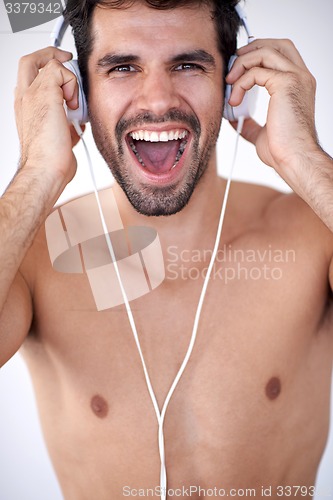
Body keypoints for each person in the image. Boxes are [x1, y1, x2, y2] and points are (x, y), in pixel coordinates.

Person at [1, 0, 333, 498]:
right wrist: (37, 174)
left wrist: (306, 160)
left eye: (187, 65)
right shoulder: (31, 257)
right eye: (122, 67)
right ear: (79, 97)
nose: (157, 99)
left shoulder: (313, 237)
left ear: (233, 88)